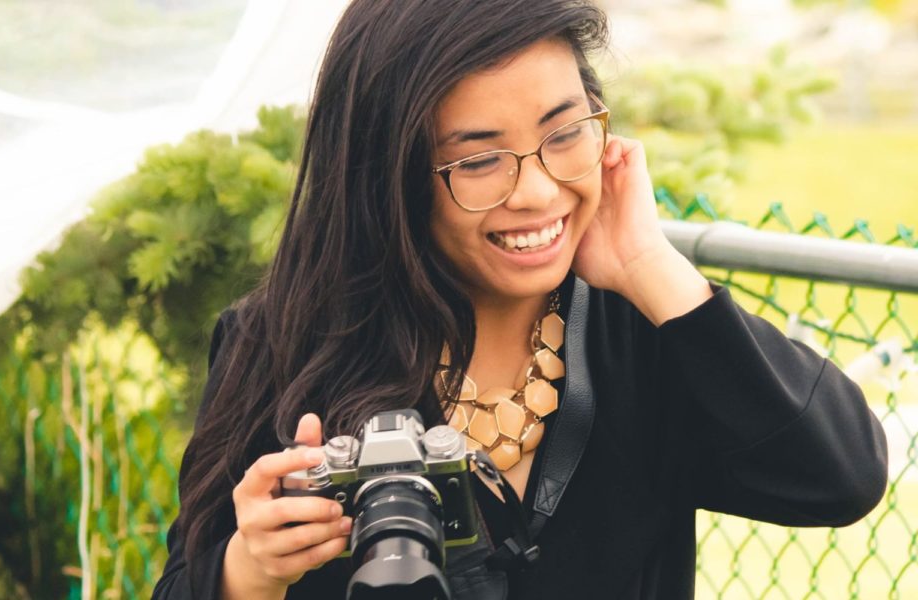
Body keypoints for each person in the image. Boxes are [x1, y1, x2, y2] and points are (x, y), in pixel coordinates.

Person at [151, 0, 889, 598]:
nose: (536, 192)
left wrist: (648, 264)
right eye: (477, 160)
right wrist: (249, 572)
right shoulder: (281, 344)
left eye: (565, 134)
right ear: (390, 173)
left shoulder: (647, 330)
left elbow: (839, 477)